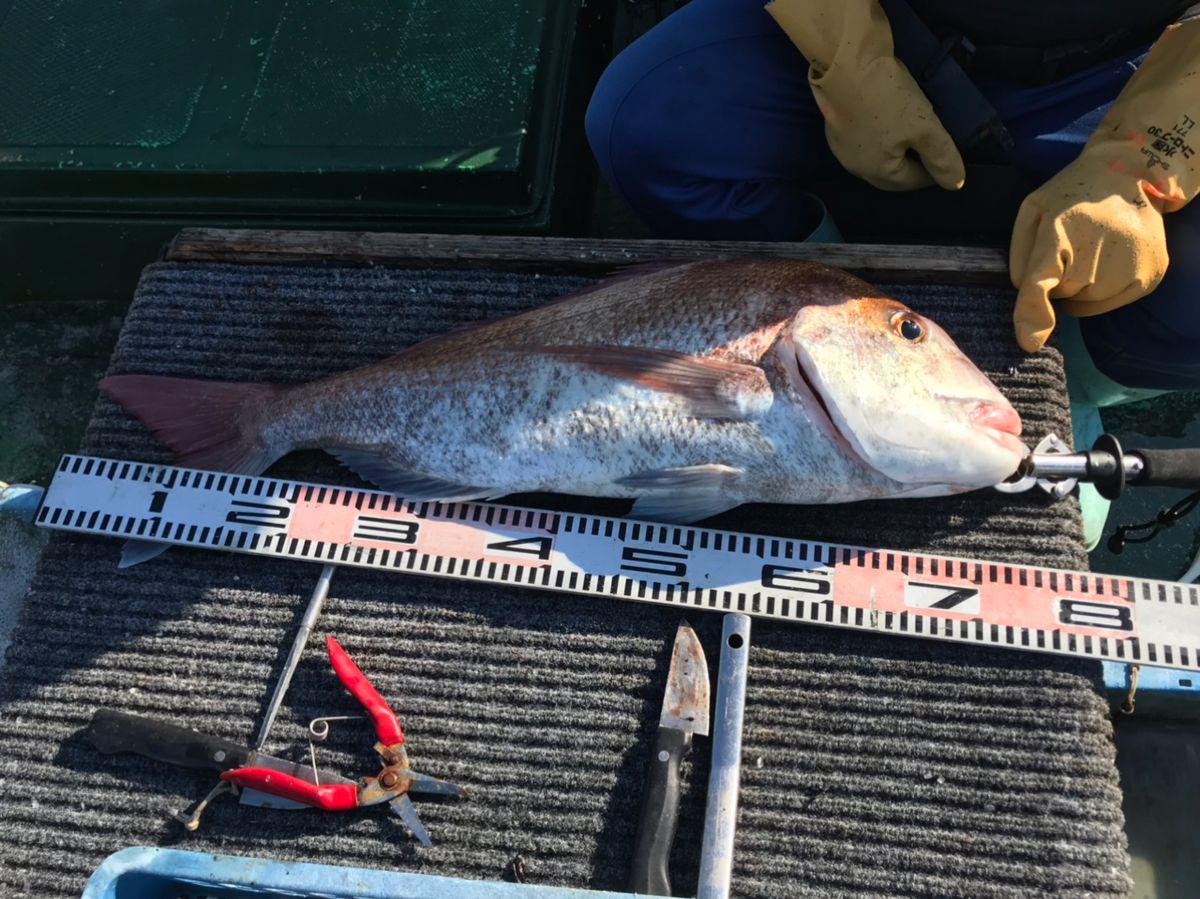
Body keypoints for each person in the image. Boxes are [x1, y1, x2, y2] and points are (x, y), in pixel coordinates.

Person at [585, 0, 1200, 396]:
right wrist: (845, 49)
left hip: (1133, 71)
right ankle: (802, 313)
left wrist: (1143, 165)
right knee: (645, 125)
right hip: (888, 25)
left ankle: (1071, 388)